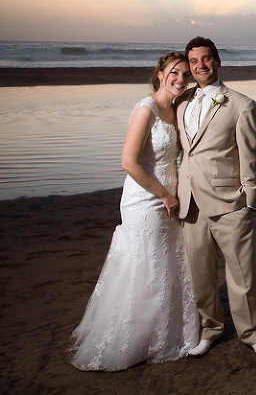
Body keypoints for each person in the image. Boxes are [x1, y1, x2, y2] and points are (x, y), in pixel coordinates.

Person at [71, 53, 198, 371]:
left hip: (171, 197)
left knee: (167, 264)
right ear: (159, 74)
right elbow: (129, 162)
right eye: (174, 73)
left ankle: (164, 332)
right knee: (148, 266)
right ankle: (133, 340)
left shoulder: (176, 108)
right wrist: (165, 195)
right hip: (146, 199)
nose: (180, 79)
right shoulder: (147, 109)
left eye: (185, 74)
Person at [176, 36, 256, 359]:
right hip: (190, 203)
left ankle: (253, 335)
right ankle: (210, 330)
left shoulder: (240, 104)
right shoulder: (181, 102)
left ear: (217, 61)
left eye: (205, 59)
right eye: (193, 61)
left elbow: (251, 155)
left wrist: (250, 200)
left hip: (230, 202)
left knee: (243, 274)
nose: (200, 66)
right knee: (200, 274)